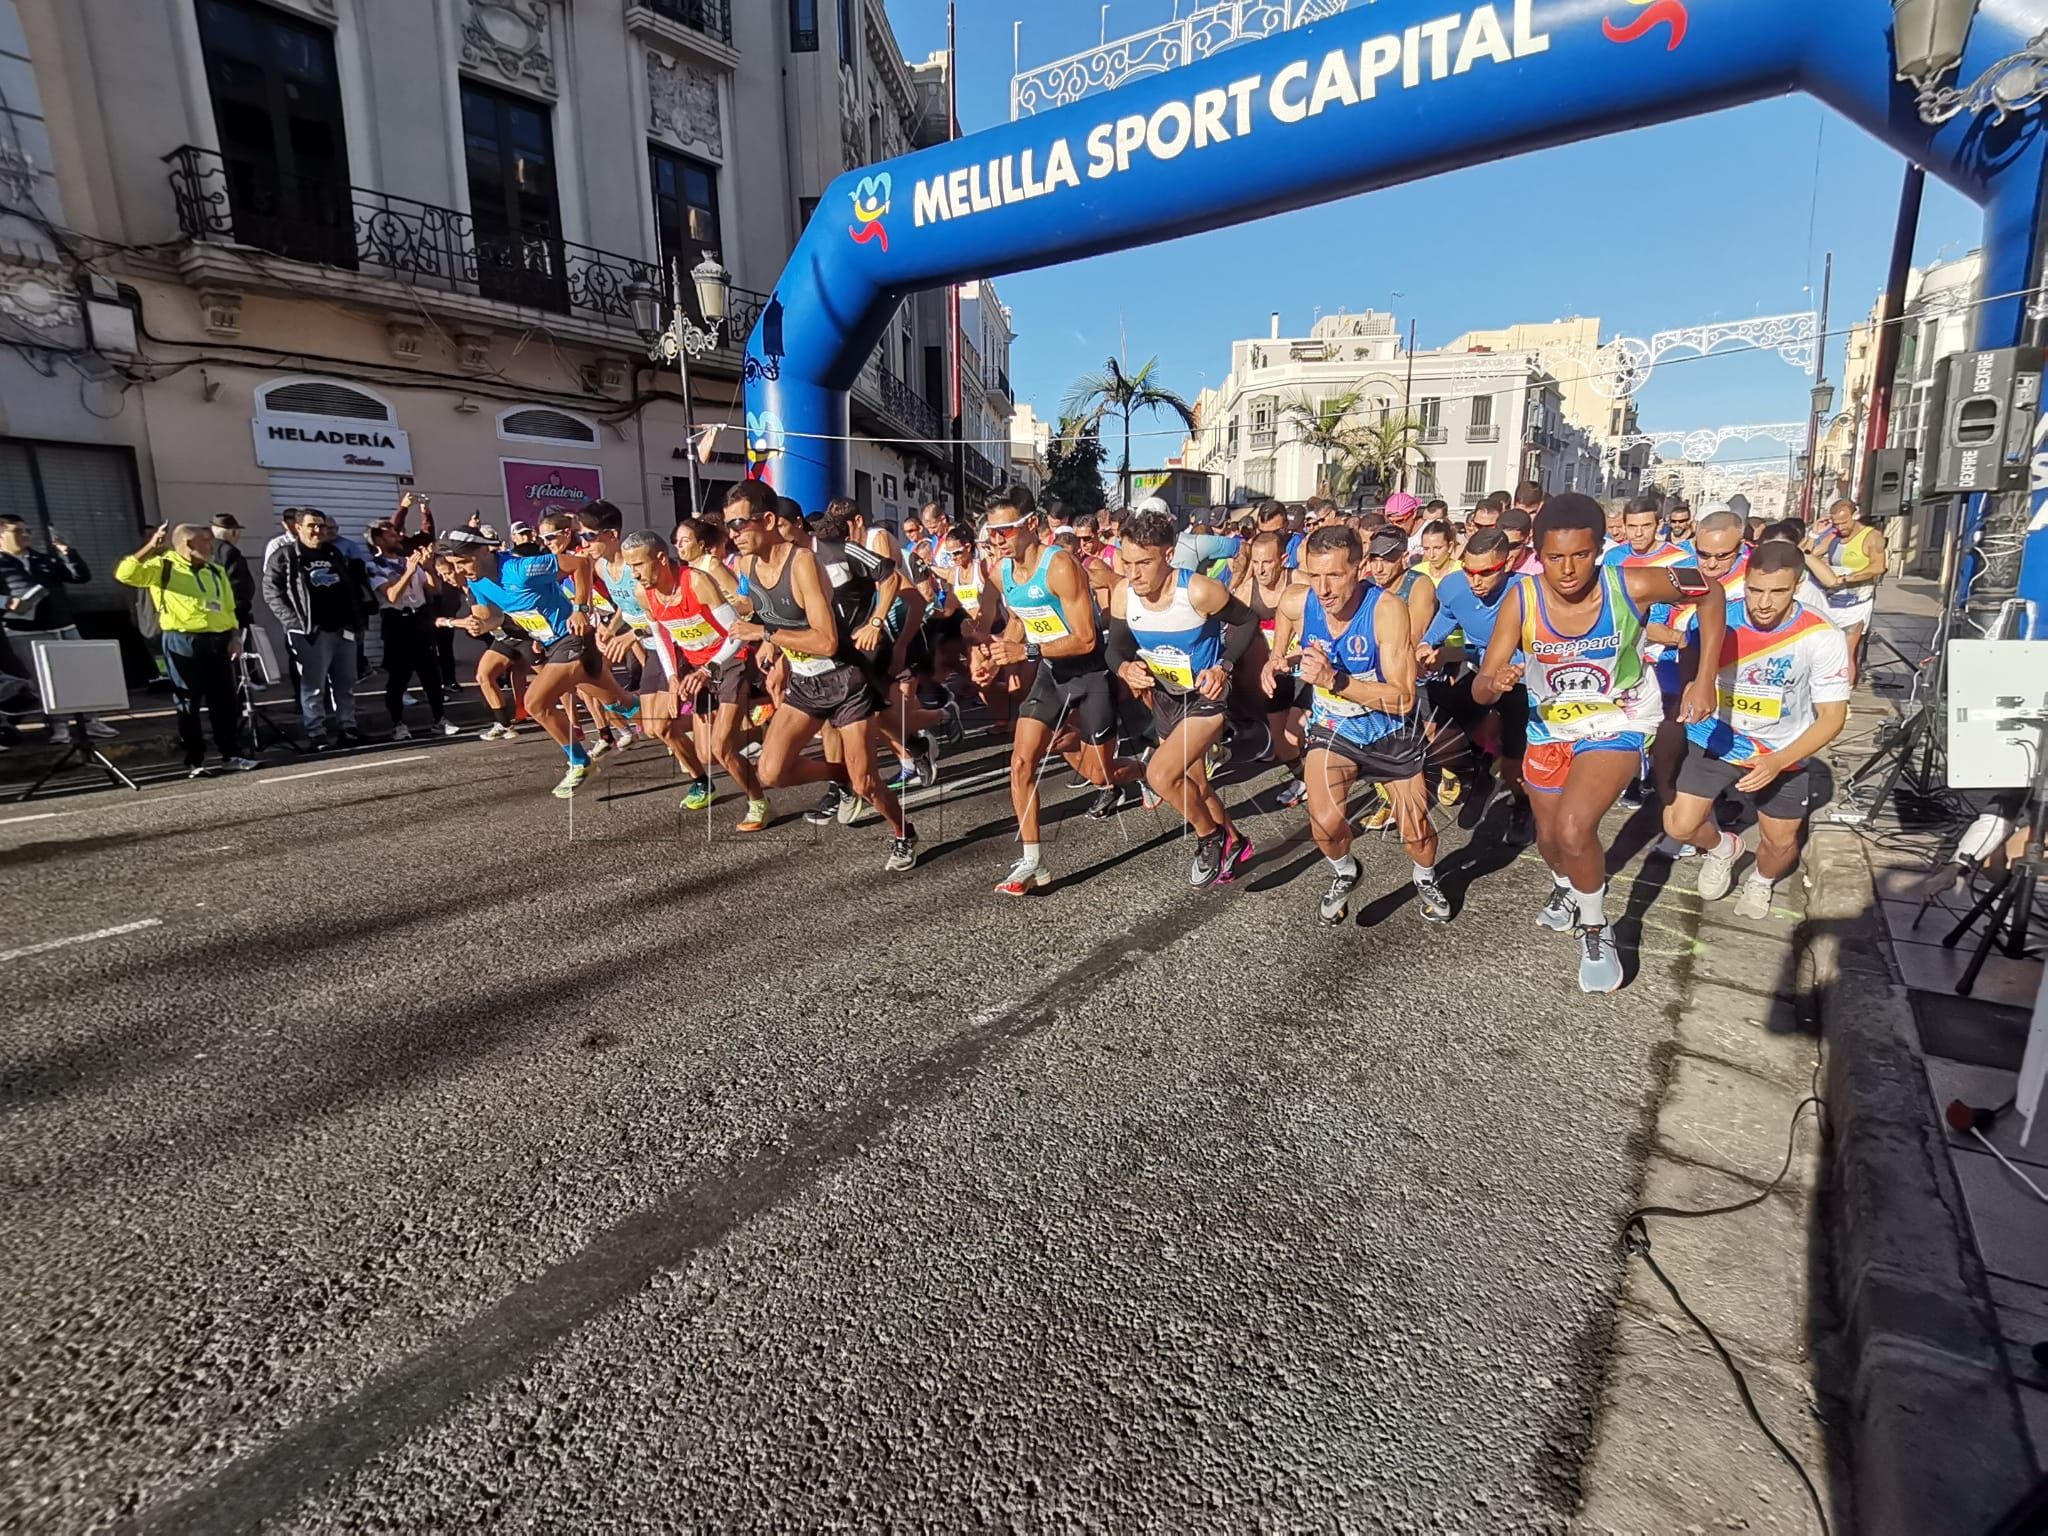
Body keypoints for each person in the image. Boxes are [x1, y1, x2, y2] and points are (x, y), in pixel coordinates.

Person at [1471, 493, 1724, 993]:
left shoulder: (1632, 582)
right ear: (1537, 555)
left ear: (1599, 551)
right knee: (1550, 841)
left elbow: (1710, 593)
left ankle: (1596, 926)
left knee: (1573, 826)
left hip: (1620, 720)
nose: (1567, 570)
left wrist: (1705, 677)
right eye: (1555, 557)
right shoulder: (1522, 599)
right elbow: (1481, 684)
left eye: (1581, 555)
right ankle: (1568, 888)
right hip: (1551, 725)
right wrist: (1496, 682)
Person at [722, 479, 920, 869]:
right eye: (728, 526)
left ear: (765, 520)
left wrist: (763, 633)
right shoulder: (747, 565)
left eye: (739, 524)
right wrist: (768, 640)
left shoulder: (803, 563)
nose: (733, 535)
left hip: (845, 680)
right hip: (804, 681)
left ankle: (902, 832)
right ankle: (845, 773)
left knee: (868, 785)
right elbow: (769, 612)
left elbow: (828, 641)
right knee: (772, 771)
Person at [1265, 523, 1451, 926]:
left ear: (1360, 568)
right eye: (1315, 575)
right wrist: (1277, 655)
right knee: (1325, 824)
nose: (1324, 588)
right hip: (1335, 729)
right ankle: (1346, 872)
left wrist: (1336, 681)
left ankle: (1425, 875)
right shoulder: (1302, 599)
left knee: (1416, 832)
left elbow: (1402, 698)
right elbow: (1283, 608)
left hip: (1389, 731)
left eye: (1335, 575)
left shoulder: (1386, 610)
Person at [1664, 538, 1850, 917]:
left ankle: (1761, 881)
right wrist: (1691, 683)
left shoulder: (1821, 635)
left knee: (1780, 844)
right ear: (1744, 581)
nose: (1763, 603)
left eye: (1778, 592)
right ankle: (1723, 849)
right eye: (1755, 590)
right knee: (1678, 826)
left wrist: (1779, 761)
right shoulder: (1720, 616)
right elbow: (1689, 649)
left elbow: (1833, 716)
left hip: (1781, 751)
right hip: (1718, 738)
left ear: (1798, 587)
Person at [973, 484, 1144, 895]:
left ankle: (1146, 772)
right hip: (1051, 675)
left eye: (1005, 531)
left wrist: (1025, 649)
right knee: (1020, 763)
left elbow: (1086, 638)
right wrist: (996, 657)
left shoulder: (1061, 566)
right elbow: (1020, 621)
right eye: (991, 533)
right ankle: (1032, 860)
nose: (996, 541)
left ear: (1032, 525)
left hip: (1090, 676)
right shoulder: (1001, 572)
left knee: (1101, 773)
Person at [1107, 510, 1258, 886]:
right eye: (1127, 562)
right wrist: (1125, 669)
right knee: (1195, 786)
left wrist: (1223, 666)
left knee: (1160, 775)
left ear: (1169, 555)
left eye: (1144, 562)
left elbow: (1248, 622)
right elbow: (1116, 649)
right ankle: (1236, 842)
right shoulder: (1124, 594)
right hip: (1166, 698)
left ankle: (1211, 837)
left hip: (1206, 697)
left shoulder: (1198, 591)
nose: (1134, 573)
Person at [435, 519, 639, 797]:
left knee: (535, 702)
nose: (460, 571)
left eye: (464, 562)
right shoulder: (478, 582)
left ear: (484, 552)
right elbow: (491, 615)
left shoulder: (519, 568)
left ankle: (580, 762)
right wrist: (480, 624)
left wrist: (580, 608)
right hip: (552, 645)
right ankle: (684, 719)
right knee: (623, 704)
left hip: (573, 637)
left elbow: (580, 565)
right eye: (455, 565)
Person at [623, 529, 771, 827]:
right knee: (706, 753)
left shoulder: (696, 582)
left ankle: (759, 803)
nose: (634, 574)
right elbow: (662, 636)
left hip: (729, 663)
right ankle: (759, 728)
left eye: (638, 565)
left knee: (721, 748)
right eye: (630, 567)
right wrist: (673, 677)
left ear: (661, 559)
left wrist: (708, 669)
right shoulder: (645, 594)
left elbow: (738, 636)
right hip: (697, 669)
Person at [115, 524, 256, 776]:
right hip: (183, 639)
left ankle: (231, 754)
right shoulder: (164, 567)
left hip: (218, 639)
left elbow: (227, 606)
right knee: (188, 701)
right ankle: (195, 760)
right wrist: (150, 547)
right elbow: (125, 574)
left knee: (225, 701)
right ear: (189, 544)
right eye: (206, 542)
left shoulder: (215, 571)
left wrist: (234, 636)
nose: (211, 547)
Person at [0, 514, 116, 739]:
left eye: (27, 531)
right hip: (25, 630)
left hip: (62, 624)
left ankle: (92, 720)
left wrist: (66, 552)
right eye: (18, 531)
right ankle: (58, 725)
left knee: (81, 673)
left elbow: (80, 576)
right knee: (44, 680)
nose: (25, 535)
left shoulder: (43, 559)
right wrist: (7, 602)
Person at [263, 507, 369, 748]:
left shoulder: (333, 553)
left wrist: (356, 622)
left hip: (343, 628)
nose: (318, 531)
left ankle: (348, 728)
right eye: (312, 526)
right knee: (313, 685)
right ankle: (317, 733)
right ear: (298, 527)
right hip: (310, 631)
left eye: (321, 526)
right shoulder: (286, 556)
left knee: (345, 683)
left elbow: (350, 590)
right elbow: (272, 593)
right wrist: (294, 623)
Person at [366, 519, 457, 739]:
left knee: (431, 674)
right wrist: (408, 571)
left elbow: (434, 590)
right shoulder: (373, 565)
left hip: (419, 619)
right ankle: (398, 723)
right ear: (377, 539)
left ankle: (439, 719)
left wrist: (427, 569)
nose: (397, 538)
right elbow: (391, 595)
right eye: (390, 535)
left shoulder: (410, 561)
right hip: (396, 621)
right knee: (399, 676)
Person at [1802, 497, 1887, 679]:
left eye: (1844, 522)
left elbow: (1878, 567)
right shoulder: (1833, 536)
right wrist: (1814, 534)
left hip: (1856, 602)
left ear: (1855, 516)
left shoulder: (1872, 537)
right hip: (1831, 600)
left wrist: (1846, 579)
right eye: (1836, 523)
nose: (1840, 527)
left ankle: (1846, 694)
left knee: (1847, 650)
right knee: (1827, 647)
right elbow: (1805, 555)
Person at [208, 513, 258, 652]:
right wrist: (241, 613)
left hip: (212, 615)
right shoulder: (230, 552)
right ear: (233, 532)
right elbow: (239, 587)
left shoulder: (206, 550)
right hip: (232, 616)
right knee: (241, 659)